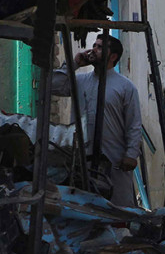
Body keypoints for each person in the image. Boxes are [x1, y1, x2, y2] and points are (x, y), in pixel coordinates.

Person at [55, 36, 142, 207]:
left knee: (118, 208)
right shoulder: (80, 80)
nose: (94, 49)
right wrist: (75, 64)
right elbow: (51, 85)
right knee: (85, 206)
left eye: (100, 47)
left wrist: (131, 154)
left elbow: (133, 124)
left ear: (113, 57)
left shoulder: (125, 87)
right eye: (94, 45)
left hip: (114, 159)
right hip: (83, 158)